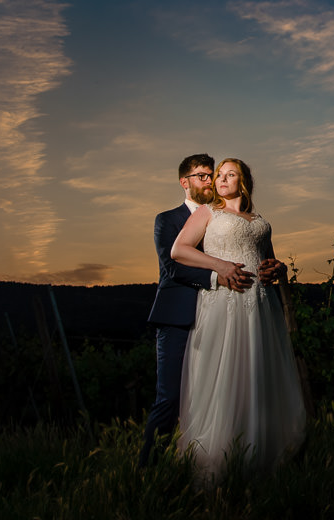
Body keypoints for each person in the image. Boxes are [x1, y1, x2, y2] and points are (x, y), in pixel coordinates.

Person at [172, 157, 306, 480]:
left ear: (243, 182)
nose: (222, 179)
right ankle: (219, 458)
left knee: (258, 371)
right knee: (225, 372)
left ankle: (260, 453)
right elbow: (179, 250)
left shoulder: (258, 220)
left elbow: (269, 258)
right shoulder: (209, 213)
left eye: (230, 174)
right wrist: (219, 266)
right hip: (225, 302)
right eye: (219, 174)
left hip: (260, 305)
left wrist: (278, 269)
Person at [138, 154, 239, 468]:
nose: (208, 181)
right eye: (201, 176)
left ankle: (205, 465)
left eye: (211, 175)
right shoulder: (166, 220)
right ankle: (148, 470)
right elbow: (171, 267)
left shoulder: (224, 218)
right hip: (178, 316)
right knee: (170, 398)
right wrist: (215, 276)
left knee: (215, 396)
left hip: (221, 314)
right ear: (184, 182)